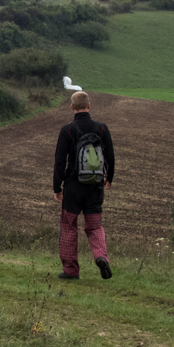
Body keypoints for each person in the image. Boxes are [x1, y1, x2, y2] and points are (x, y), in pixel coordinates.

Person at [53, 91, 115, 280]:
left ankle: (70, 271)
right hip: (95, 186)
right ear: (89, 105)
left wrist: (58, 186)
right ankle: (101, 257)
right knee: (94, 227)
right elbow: (110, 156)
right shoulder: (101, 128)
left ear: (72, 107)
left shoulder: (67, 130)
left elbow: (59, 161)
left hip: (73, 187)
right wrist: (108, 178)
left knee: (69, 226)